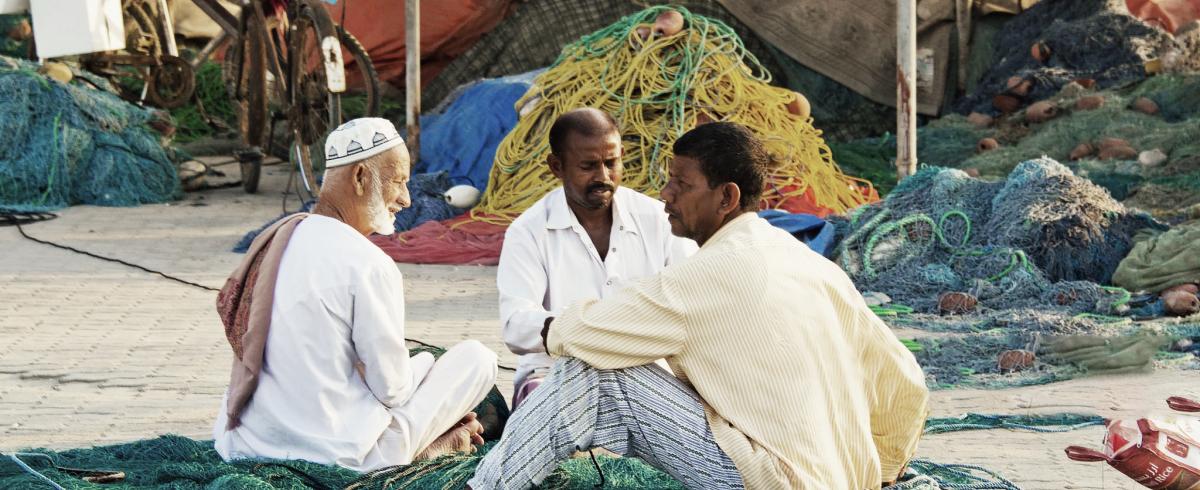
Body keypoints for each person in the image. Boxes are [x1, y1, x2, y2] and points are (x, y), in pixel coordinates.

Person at [469, 122, 929, 489]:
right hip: (844, 478)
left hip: (768, 480)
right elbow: (905, 380)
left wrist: (549, 330)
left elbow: (588, 333)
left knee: (594, 374)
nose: (666, 194)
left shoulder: (704, 274)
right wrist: (883, 473)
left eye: (680, 185)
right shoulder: (807, 262)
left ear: (726, 197)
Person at [212, 118, 498, 471]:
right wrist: (424, 364)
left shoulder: (274, 241)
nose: (406, 199)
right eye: (398, 182)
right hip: (338, 455)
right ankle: (421, 446)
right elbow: (391, 390)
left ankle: (428, 435)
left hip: (249, 443)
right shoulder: (367, 263)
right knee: (478, 358)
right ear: (361, 178)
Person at [497, 108, 696, 407]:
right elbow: (516, 326)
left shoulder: (658, 219)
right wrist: (588, 329)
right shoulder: (528, 231)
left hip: (646, 373)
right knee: (542, 408)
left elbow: (692, 303)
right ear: (557, 166)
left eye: (611, 162)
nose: (603, 176)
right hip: (557, 374)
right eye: (588, 166)